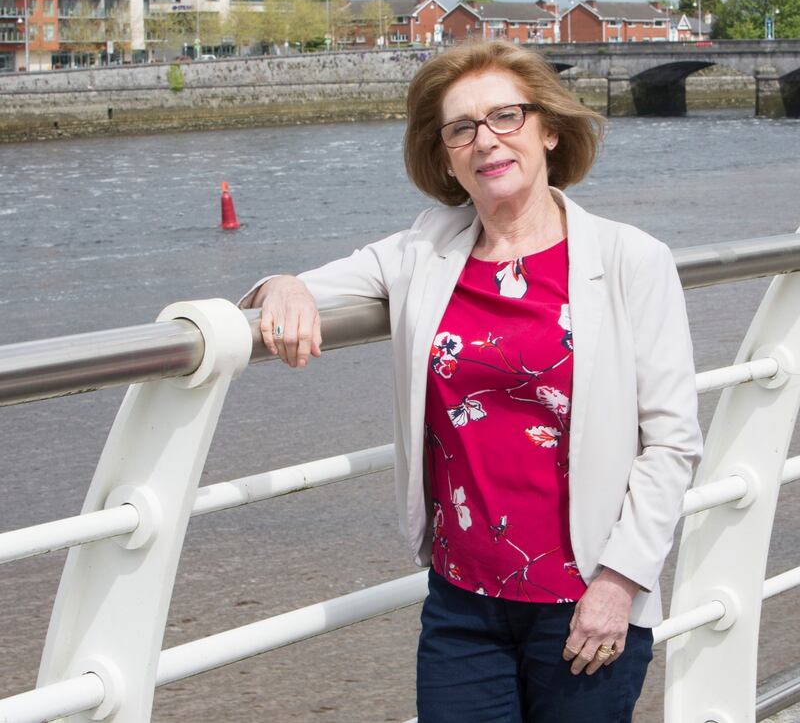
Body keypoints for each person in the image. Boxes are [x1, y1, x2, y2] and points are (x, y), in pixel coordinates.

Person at [239, 40, 703, 722]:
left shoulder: (632, 259)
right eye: (462, 127)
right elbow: (293, 289)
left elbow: (671, 441)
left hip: (587, 600)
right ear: (447, 156)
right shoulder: (425, 249)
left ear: (548, 128)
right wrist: (278, 284)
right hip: (463, 607)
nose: (486, 140)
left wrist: (619, 582)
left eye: (505, 117)